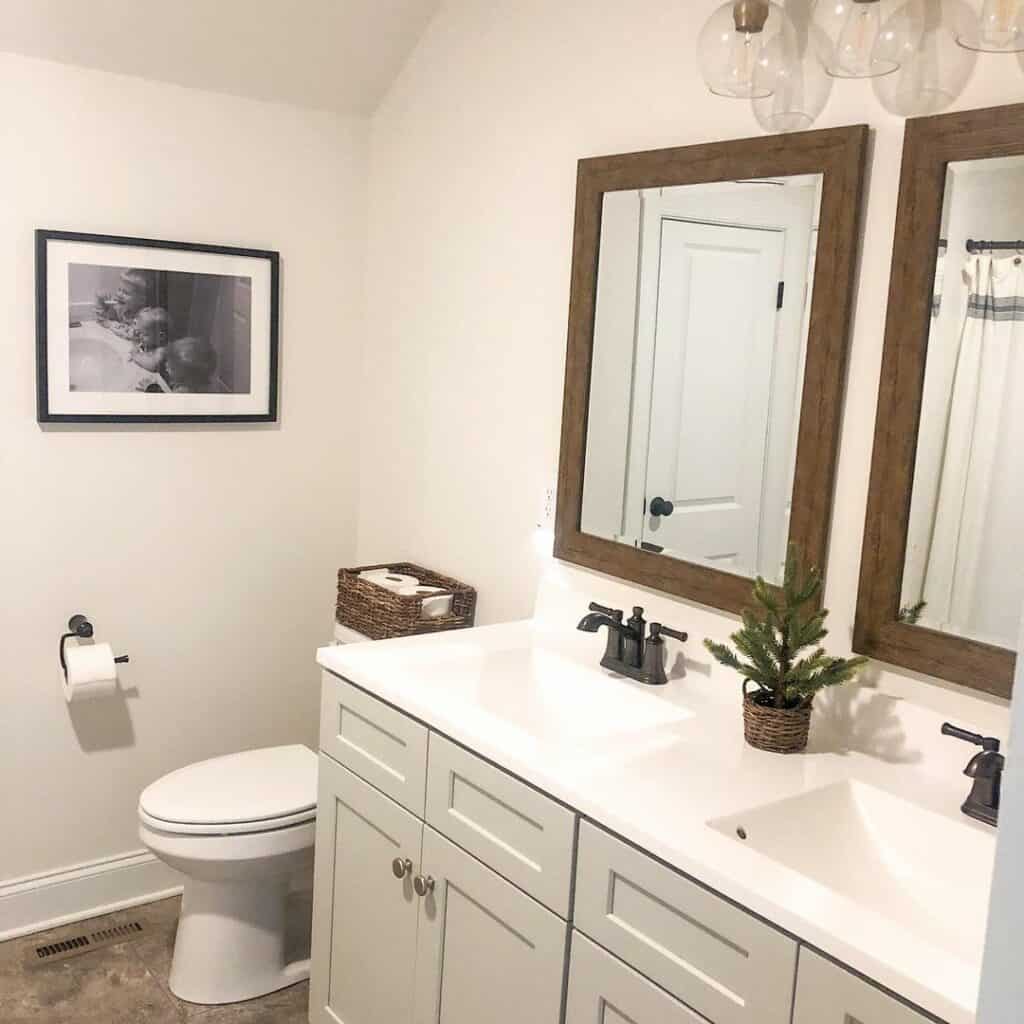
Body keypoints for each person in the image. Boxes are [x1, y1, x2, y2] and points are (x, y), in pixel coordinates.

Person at [132, 335, 218, 393]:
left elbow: (168, 406)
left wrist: (151, 388)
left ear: (186, 378)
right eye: (168, 361)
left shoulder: (184, 392)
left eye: (172, 368)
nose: (166, 366)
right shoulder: (199, 384)